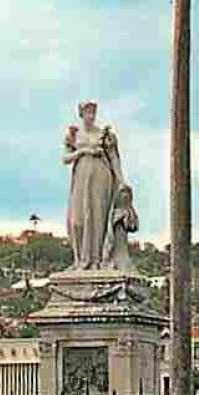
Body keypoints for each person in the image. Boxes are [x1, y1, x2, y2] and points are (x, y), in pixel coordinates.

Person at [63, 100, 122, 270]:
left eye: (93, 112)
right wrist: (82, 151)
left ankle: (96, 260)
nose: (91, 115)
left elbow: (114, 158)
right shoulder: (74, 134)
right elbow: (65, 158)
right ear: (81, 114)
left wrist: (121, 181)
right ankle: (79, 259)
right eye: (87, 112)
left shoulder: (104, 134)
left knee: (97, 218)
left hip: (101, 176)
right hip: (81, 176)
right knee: (77, 221)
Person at [102, 183, 139, 272]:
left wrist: (128, 218)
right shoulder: (114, 212)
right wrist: (121, 218)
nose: (125, 195)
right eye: (123, 192)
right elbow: (111, 225)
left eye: (127, 193)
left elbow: (134, 227)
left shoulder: (130, 211)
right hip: (115, 238)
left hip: (123, 239)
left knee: (122, 253)